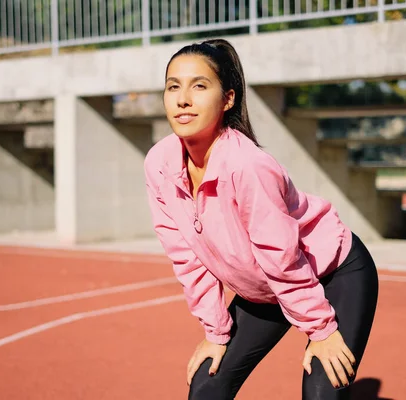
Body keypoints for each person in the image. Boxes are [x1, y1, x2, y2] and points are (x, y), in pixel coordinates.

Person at [143, 38, 379, 400]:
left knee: (322, 391)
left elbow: (281, 258)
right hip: (265, 288)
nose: (183, 99)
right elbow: (186, 257)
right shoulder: (159, 164)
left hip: (331, 271)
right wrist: (215, 333)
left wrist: (322, 329)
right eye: (173, 86)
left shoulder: (248, 166)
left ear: (228, 99)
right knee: (207, 387)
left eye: (199, 86)